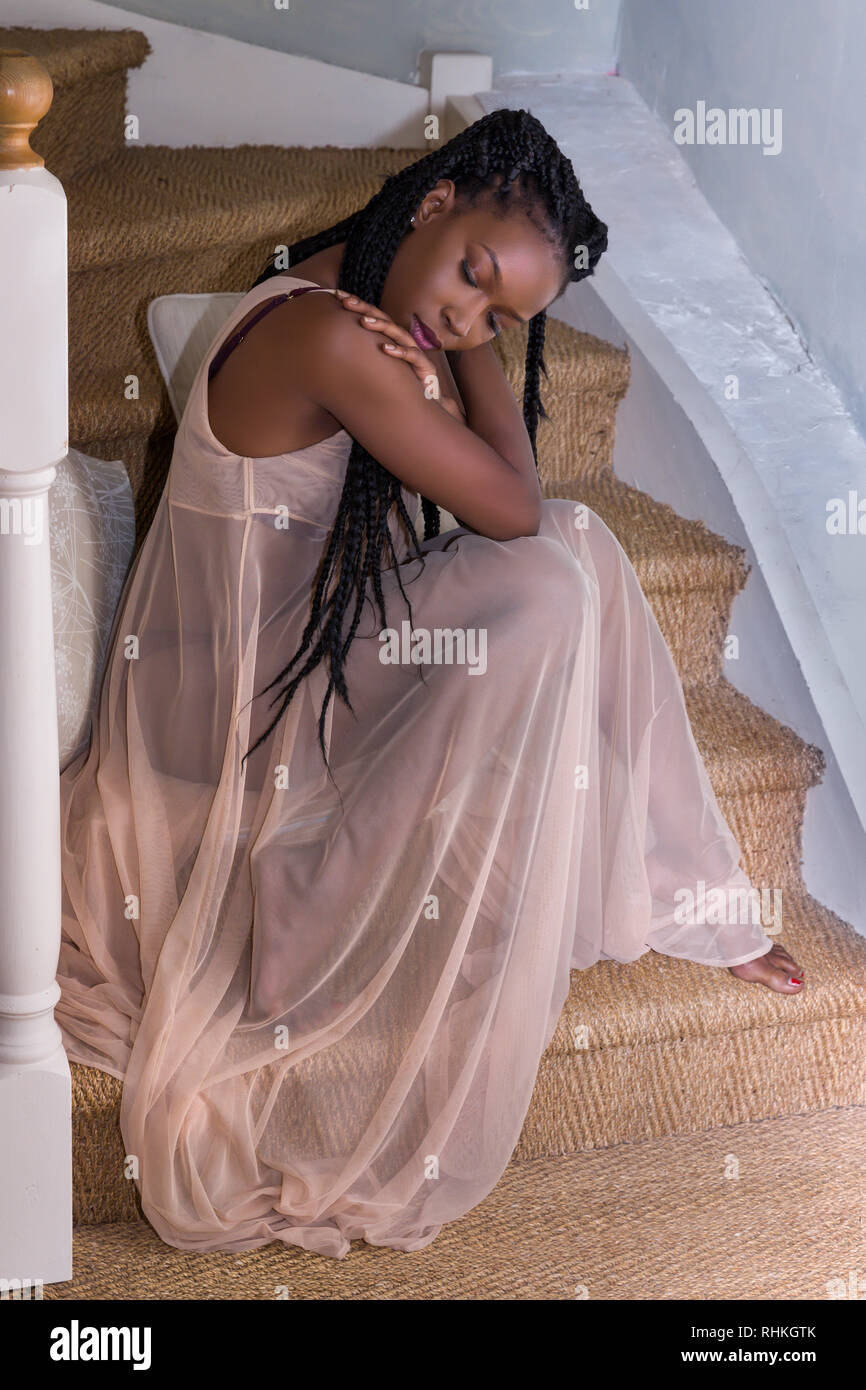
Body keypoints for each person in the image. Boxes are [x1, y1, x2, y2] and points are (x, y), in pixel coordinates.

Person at [56, 108, 804, 1262]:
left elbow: (520, 503)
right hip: (229, 717)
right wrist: (460, 357)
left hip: (301, 666)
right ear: (432, 199)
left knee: (577, 555)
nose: (464, 317)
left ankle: (677, 887)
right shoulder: (329, 337)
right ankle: (304, 901)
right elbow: (503, 506)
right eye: (469, 276)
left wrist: (456, 336)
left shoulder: (350, 304)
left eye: (498, 317)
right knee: (550, 576)